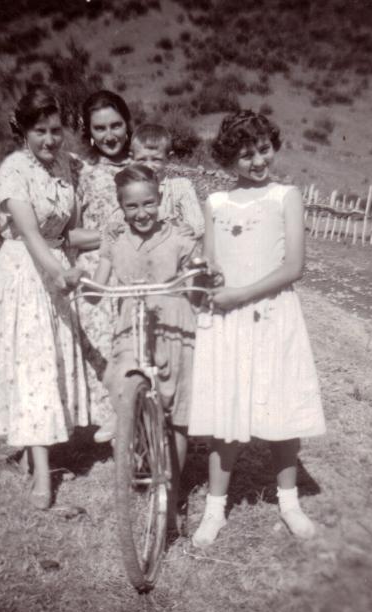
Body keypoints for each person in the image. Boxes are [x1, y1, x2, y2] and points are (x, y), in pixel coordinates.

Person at [188, 109, 326, 546]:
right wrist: (205, 276)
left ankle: (289, 503)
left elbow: (294, 267)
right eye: (246, 155)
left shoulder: (286, 196)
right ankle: (215, 510)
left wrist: (241, 294)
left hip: (272, 314)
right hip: (228, 319)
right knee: (226, 413)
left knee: (281, 408)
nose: (258, 161)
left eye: (264, 149)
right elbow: (212, 261)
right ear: (229, 157)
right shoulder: (216, 203)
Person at [0, 85, 88, 510]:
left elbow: (69, 231)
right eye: (40, 130)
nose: (50, 139)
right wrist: (57, 273)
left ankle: (32, 453)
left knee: (48, 361)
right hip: (24, 271)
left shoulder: (64, 168)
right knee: (33, 364)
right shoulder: (13, 169)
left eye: (56, 130)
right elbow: (30, 233)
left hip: (55, 265)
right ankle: (42, 472)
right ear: (23, 130)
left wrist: (112, 240)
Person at [92, 164, 199, 517]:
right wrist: (78, 280)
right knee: (123, 382)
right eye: (132, 206)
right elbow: (96, 289)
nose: (142, 213)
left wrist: (204, 273)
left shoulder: (179, 234)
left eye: (149, 203)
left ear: (160, 199)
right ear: (121, 207)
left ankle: (172, 492)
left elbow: (196, 277)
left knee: (176, 413)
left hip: (174, 324)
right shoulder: (114, 238)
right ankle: (136, 446)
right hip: (132, 325)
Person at [67, 90, 132, 435]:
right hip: (100, 274)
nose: (110, 135)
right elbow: (70, 235)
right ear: (89, 132)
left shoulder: (147, 166)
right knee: (105, 349)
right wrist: (111, 233)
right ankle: (114, 426)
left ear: (127, 124)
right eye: (100, 128)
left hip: (141, 270)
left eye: (116, 125)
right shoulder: (83, 173)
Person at [130, 123, 204, 239]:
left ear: (168, 158)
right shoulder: (128, 190)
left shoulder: (182, 186)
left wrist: (191, 229)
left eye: (156, 159)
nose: (149, 166)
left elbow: (198, 224)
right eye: (142, 160)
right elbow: (120, 220)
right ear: (132, 159)